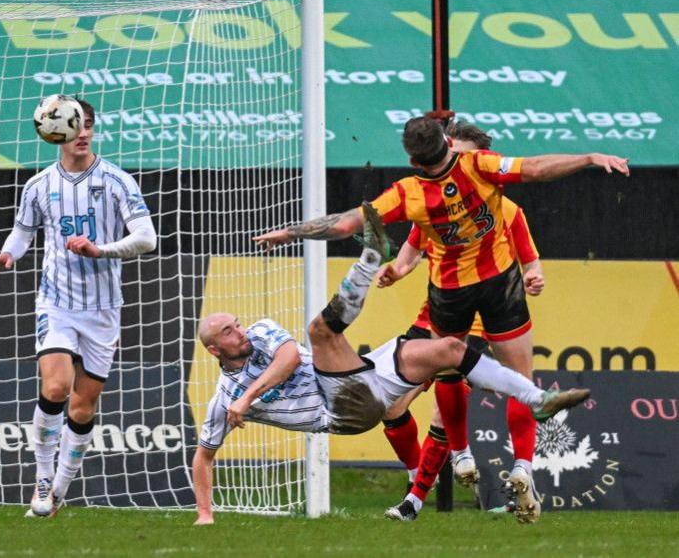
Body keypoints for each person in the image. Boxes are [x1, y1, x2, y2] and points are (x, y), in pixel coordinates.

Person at [252, 115, 628, 523]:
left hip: (449, 293)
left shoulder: (408, 193)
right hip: (498, 283)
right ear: (448, 144)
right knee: (519, 373)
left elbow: (346, 223)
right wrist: (589, 156)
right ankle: (520, 449)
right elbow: (535, 169)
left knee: (449, 365)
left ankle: (460, 455)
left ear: (413, 159)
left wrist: (291, 232)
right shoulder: (480, 165)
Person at [193, 211, 587, 526]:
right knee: (320, 331)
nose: (240, 331)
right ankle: (370, 257)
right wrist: (205, 515)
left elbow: (290, 358)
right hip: (341, 411)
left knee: (449, 349)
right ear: (214, 350)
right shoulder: (222, 401)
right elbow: (204, 456)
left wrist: (247, 398)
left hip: (359, 375)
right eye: (228, 331)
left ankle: (537, 399)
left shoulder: (262, 335)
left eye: (237, 323)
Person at [0, 97, 157, 518]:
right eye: (73, 125)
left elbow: (147, 238)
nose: (82, 133)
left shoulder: (117, 181)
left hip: (102, 308)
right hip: (56, 301)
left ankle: (58, 490)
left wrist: (101, 250)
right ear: (53, 130)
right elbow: (21, 234)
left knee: (83, 407)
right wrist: (7, 256)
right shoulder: (39, 185)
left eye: (88, 125)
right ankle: (42, 479)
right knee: (56, 387)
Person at [378, 122, 544, 520]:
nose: (458, 166)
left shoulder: (505, 209)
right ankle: (421, 477)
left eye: (466, 158)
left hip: (473, 324)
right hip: (433, 316)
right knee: (390, 406)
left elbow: (529, 256)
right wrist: (398, 271)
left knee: (444, 407)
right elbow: (411, 250)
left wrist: (534, 274)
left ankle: (415, 499)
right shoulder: (430, 203)